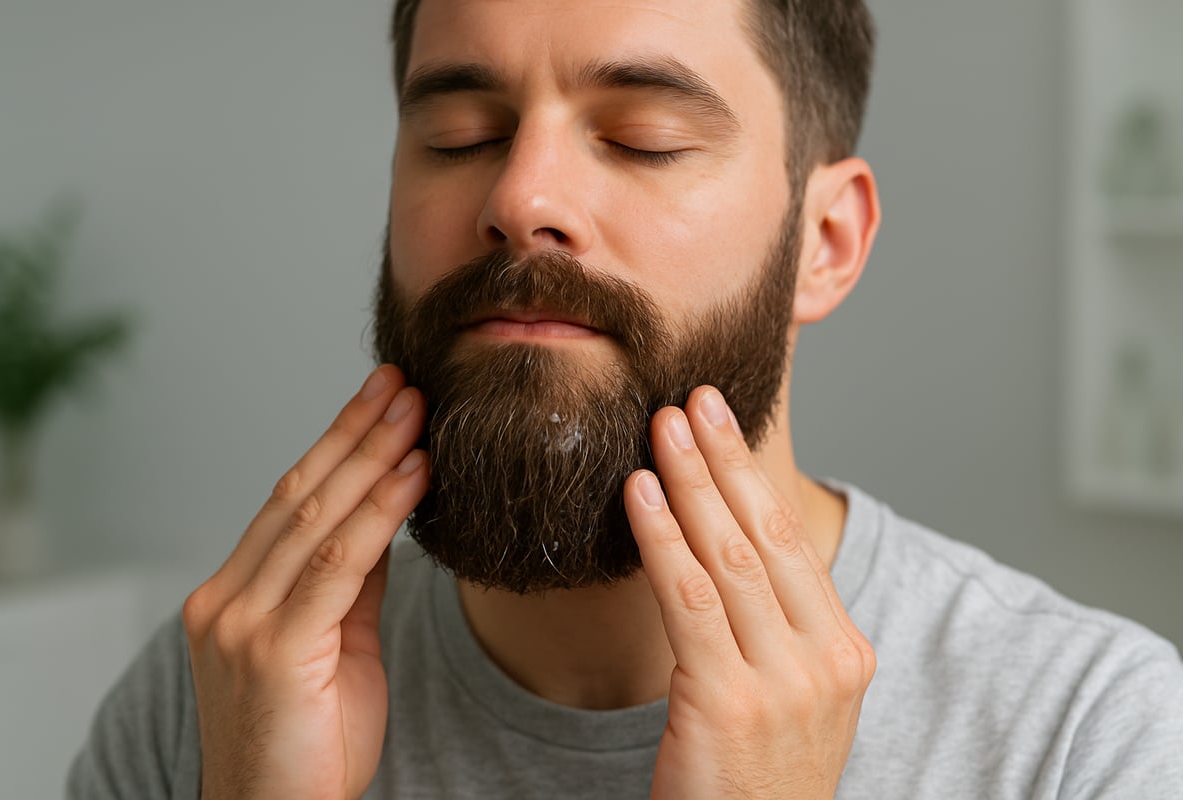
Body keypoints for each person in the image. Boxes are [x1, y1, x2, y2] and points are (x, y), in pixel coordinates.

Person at [69, 0, 1183, 797]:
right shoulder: (214, 697)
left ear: (826, 242)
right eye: (461, 135)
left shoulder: (1085, 735)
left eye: (642, 137)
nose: (519, 196)